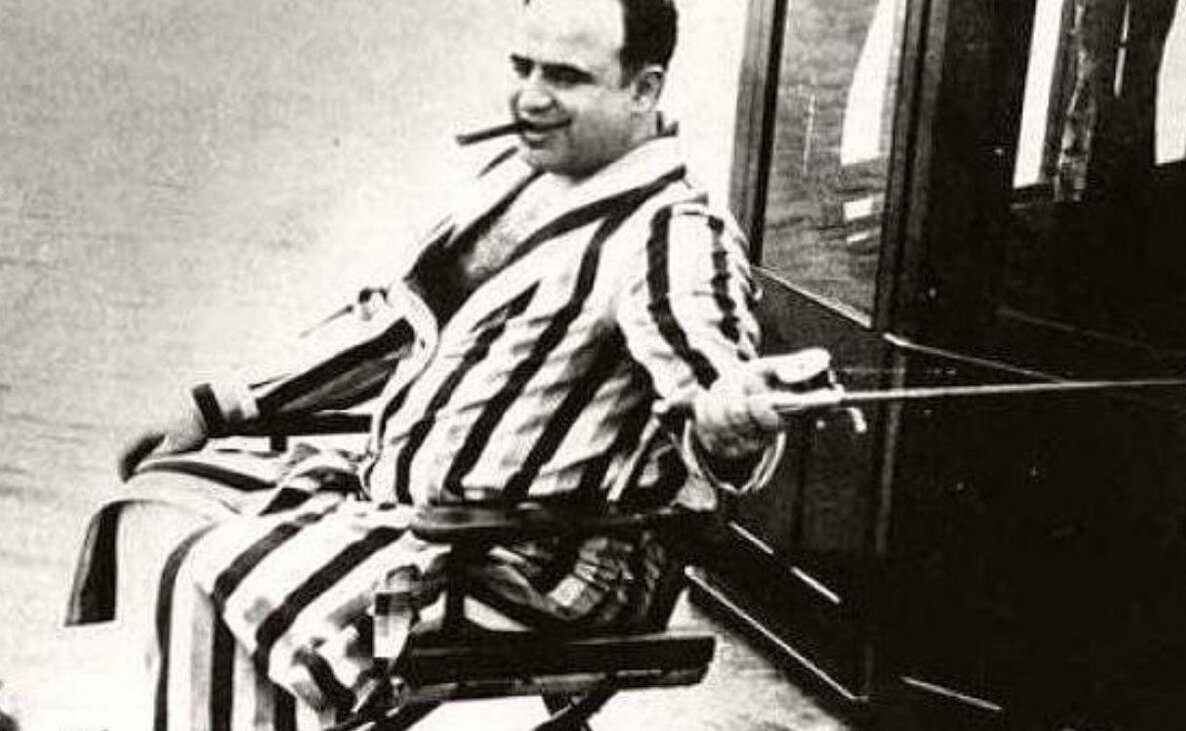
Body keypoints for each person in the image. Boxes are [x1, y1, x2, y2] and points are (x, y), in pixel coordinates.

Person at [67, 0, 794, 728]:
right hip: (407, 506)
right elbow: (394, 323)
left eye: (566, 77)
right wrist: (216, 406)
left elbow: (713, 387)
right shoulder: (518, 177)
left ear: (644, 88)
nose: (530, 97)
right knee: (164, 497)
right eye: (523, 67)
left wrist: (730, 427)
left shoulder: (675, 233)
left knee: (219, 576)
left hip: (527, 556)